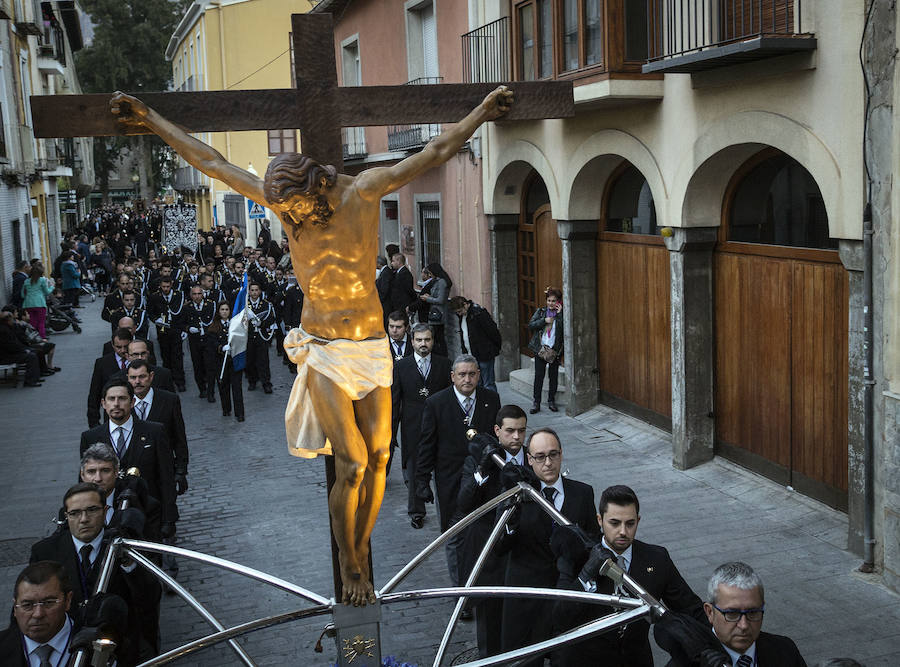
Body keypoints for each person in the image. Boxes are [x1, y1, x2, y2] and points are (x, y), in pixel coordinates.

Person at [109, 83, 514, 605]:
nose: (291, 218)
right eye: (285, 211)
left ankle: (361, 544)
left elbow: (434, 151)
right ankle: (350, 562)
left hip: (369, 347)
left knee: (379, 458)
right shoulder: (284, 205)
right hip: (321, 346)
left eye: (297, 206)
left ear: (317, 184)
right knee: (350, 460)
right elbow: (211, 162)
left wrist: (482, 111)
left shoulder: (363, 191)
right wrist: (149, 118)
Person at [553, 485, 705, 666]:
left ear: (638, 521)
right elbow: (559, 618)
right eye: (614, 523)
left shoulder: (656, 558)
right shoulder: (577, 555)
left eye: (630, 523)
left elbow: (690, 607)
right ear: (600, 520)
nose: (623, 531)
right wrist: (586, 574)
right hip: (585, 660)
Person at [30, 483, 162, 664]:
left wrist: (129, 564)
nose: (84, 519)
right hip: (68, 652)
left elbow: (150, 596)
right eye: (75, 513)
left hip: (121, 650)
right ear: (66, 516)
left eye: (92, 510)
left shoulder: (126, 544)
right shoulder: (45, 551)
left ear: (105, 510)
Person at [497, 427, 597, 667]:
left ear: (561, 455)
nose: (548, 463)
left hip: (569, 597)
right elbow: (500, 547)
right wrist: (512, 520)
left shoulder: (583, 493)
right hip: (529, 600)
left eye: (553, 455)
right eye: (540, 457)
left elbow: (593, 539)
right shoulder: (516, 495)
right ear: (529, 460)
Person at [415, 354, 500, 586]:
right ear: (453, 377)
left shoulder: (490, 399)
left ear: (479, 375)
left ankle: (481, 584)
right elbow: (427, 444)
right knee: (454, 535)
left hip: (483, 480)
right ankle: (461, 591)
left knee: (483, 532)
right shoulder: (436, 403)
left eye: (472, 374)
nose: (467, 379)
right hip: (450, 480)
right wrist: (421, 481)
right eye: (462, 375)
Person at [455, 404, 528, 657]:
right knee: (491, 628)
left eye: (521, 431)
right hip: (489, 559)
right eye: (510, 431)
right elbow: (464, 504)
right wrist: (482, 471)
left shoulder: (533, 459)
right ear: (497, 430)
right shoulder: (478, 460)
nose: (516, 437)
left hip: (523, 554)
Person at [79, 379, 178, 536]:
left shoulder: (154, 431)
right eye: (111, 399)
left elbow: (166, 477)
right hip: (108, 519)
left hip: (149, 515)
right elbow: (84, 482)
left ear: (132, 402)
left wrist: (169, 519)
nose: (116, 404)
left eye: (122, 398)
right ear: (103, 403)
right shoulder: (90, 437)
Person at [391, 323, 452, 527]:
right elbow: (395, 401)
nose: (423, 344)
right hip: (413, 428)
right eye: (419, 340)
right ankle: (416, 512)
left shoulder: (444, 365)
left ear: (433, 341)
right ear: (412, 341)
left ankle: (447, 512)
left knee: (443, 470)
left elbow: (451, 398)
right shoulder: (401, 367)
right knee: (416, 469)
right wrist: (390, 433)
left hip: (441, 427)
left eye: (427, 340)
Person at [703, 562, 806, 666]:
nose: (744, 625)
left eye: (753, 612)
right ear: (710, 612)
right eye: (732, 614)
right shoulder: (692, 660)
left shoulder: (785, 650)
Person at [126, 360, 189, 496]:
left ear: (151, 376)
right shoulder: (121, 404)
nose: (137, 382)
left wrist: (181, 471)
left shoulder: (169, 400)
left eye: (142, 377)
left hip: (163, 472)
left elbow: (179, 437)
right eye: (133, 378)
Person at [1, 561, 76, 666]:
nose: (38, 614)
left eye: (48, 603)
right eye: (27, 605)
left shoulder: (97, 646)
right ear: (15, 607)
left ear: (68, 601)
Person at [449, 295, 502, 394]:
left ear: (465, 305)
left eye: (460, 311)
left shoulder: (479, 313)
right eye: (457, 312)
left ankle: (493, 407)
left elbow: (493, 332)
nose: (459, 314)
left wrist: (494, 348)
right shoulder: (463, 316)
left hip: (484, 354)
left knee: (488, 384)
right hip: (471, 355)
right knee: (476, 383)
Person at [205, 301, 245, 421]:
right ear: (218, 311)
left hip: (234, 359)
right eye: (222, 309)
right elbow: (211, 343)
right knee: (223, 386)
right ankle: (226, 409)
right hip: (220, 361)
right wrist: (221, 347)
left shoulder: (235, 325)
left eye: (227, 309)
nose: (224, 312)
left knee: (237, 387)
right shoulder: (213, 327)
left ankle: (240, 413)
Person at [147, 275, 187, 392]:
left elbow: (182, 313)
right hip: (163, 331)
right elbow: (150, 311)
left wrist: (184, 329)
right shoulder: (155, 297)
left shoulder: (178, 295)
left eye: (168, 286)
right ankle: (168, 381)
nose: (165, 289)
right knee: (166, 357)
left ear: (171, 285)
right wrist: (156, 320)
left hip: (176, 329)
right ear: (160, 286)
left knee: (177, 356)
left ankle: (180, 381)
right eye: (163, 286)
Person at [87, 328, 133, 427]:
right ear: (112, 345)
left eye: (126, 346)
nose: (123, 350)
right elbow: (94, 393)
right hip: (112, 418)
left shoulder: (138, 361)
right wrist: (94, 423)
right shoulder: (102, 363)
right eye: (118, 347)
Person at [528, 286, 564, 414]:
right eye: (549, 300)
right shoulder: (541, 312)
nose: (550, 303)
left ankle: (551, 401)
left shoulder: (562, 315)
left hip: (554, 351)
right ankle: (536, 402)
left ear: (558, 302)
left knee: (553, 377)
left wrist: (559, 316)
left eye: (553, 301)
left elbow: (563, 332)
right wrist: (544, 321)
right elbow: (531, 325)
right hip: (541, 349)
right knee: (539, 376)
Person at [183, 285, 216, 399]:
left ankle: (211, 392)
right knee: (197, 366)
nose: (197, 296)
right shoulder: (187, 307)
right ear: (191, 295)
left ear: (203, 294)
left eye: (199, 294)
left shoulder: (211, 305)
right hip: (195, 341)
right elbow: (182, 322)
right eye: (194, 294)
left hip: (208, 340)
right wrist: (188, 329)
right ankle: (202, 389)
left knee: (210, 365)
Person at [244, 281, 276, 393]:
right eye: (252, 290)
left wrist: (261, 324)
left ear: (260, 291)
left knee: (263, 360)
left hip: (261, 336)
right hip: (248, 336)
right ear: (249, 291)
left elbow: (271, 318)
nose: (254, 292)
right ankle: (252, 381)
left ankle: (266, 383)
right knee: (250, 360)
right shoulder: (244, 305)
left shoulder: (266, 304)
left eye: (256, 290)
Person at [416, 262, 452, 357]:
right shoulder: (438, 281)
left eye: (430, 273)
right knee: (437, 337)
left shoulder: (441, 282)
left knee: (437, 338)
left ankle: (441, 357)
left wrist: (428, 299)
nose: (430, 275)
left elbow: (440, 299)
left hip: (438, 313)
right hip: (435, 312)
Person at [0, 310, 42, 387]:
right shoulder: (3, 331)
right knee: (31, 356)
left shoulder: (8, 328)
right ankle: (30, 381)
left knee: (36, 351)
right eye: (12, 319)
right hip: (6, 356)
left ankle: (35, 377)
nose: (13, 320)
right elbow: (10, 346)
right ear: (8, 320)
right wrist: (23, 350)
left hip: (11, 353)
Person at [21, 264, 54, 339]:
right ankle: (42, 337)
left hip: (28, 304)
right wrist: (52, 287)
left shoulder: (26, 281)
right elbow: (47, 292)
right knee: (41, 322)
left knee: (32, 322)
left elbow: (22, 295)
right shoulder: (42, 280)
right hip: (40, 303)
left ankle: (34, 337)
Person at [389, 252, 418, 317]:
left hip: (403, 305)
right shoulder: (398, 272)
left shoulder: (405, 274)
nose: (391, 263)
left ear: (399, 261)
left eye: (393, 261)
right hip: (398, 305)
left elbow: (409, 290)